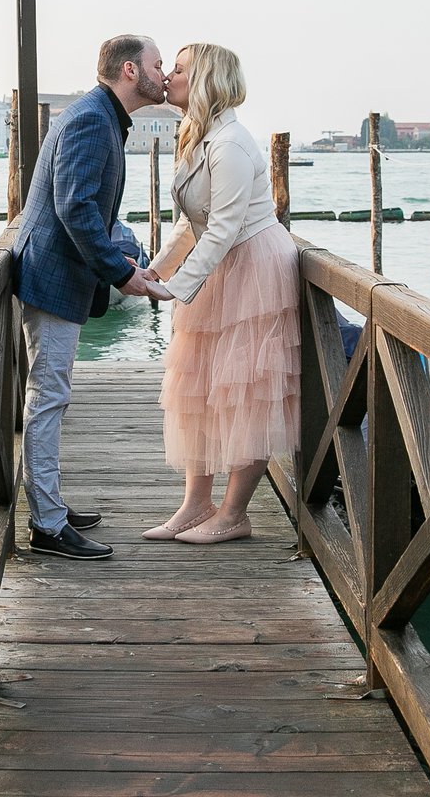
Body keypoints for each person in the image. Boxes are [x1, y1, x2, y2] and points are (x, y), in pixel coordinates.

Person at [12, 33, 167, 559]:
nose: (162, 74)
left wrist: (119, 261)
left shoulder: (100, 115)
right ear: (130, 70)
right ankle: (47, 526)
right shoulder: (92, 120)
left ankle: (50, 506)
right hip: (53, 278)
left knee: (51, 394)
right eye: (157, 65)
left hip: (58, 273)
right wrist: (120, 274)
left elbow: (82, 209)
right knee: (48, 396)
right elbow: (75, 207)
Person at [139, 43, 301, 543]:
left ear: (206, 80)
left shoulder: (230, 144)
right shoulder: (198, 136)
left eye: (179, 70)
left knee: (246, 390)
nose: (168, 77)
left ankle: (234, 515)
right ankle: (195, 505)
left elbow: (226, 227)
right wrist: (157, 270)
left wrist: (177, 287)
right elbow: (191, 223)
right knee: (198, 385)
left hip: (252, 266)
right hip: (220, 265)